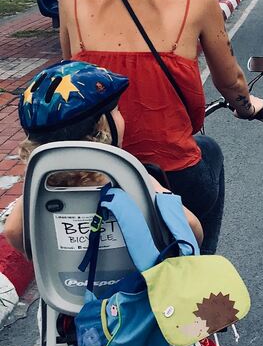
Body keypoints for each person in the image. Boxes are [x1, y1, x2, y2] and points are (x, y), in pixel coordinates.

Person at [57, 0, 263, 254]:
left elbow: (72, 77)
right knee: (211, 152)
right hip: (172, 175)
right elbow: (232, 83)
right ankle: (198, 269)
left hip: (96, 174)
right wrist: (247, 105)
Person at [2, 61, 203, 253]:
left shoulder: (42, 187)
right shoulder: (132, 180)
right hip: (139, 286)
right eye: (117, 111)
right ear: (102, 129)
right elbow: (191, 228)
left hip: (68, 287)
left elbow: (13, 231)